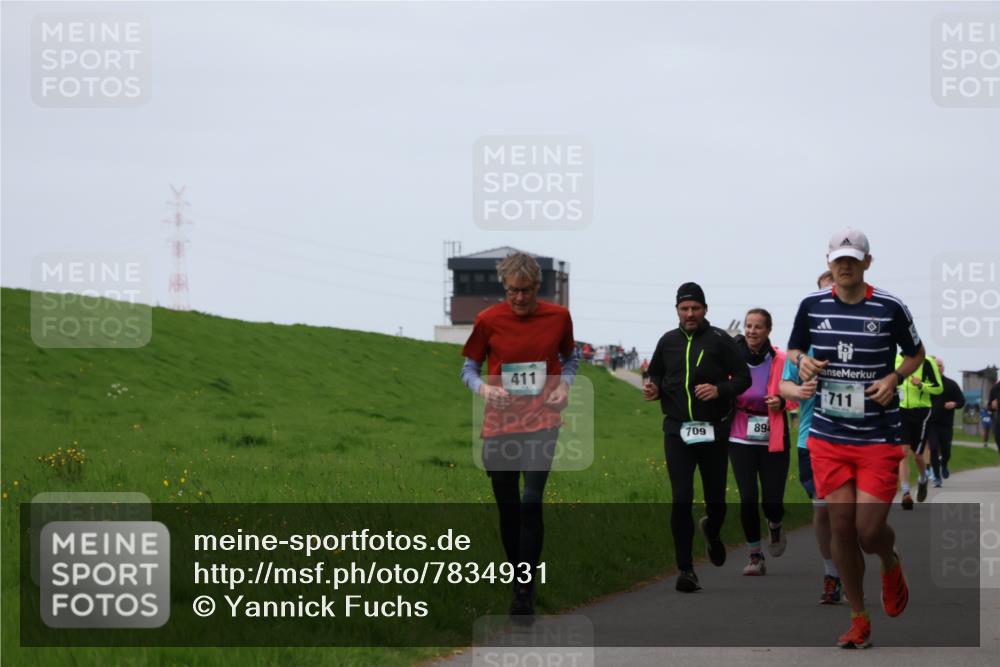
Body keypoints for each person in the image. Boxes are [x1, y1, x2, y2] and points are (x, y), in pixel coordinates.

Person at [787, 228, 923, 649]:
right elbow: (794, 349)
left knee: (868, 530)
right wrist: (803, 361)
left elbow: (916, 354)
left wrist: (894, 377)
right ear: (829, 262)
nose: (845, 265)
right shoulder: (811, 306)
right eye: (838, 259)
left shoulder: (890, 307)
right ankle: (859, 617)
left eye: (853, 258)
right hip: (828, 435)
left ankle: (889, 560)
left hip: (877, 436)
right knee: (841, 526)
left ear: (867, 262)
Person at [459, 252, 579, 619]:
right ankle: (518, 579)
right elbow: (468, 369)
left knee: (531, 501)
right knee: (509, 507)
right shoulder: (488, 320)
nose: (520, 298)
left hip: (543, 421)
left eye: (526, 291)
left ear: (538, 287)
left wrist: (564, 386)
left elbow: (571, 359)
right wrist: (484, 389)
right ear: (505, 288)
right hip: (500, 425)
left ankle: (524, 591)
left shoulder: (558, 317)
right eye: (513, 291)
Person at [643, 282, 751, 593]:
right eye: (684, 308)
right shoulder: (668, 341)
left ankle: (713, 531)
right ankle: (686, 569)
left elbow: (743, 377)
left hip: (713, 430)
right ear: (677, 310)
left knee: (716, 499)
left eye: (695, 308)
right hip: (677, 431)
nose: (690, 313)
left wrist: (720, 389)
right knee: (681, 497)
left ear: (705, 309)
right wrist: (653, 386)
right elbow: (655, 372)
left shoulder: (720, 340)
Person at [780, 269, 843, 603]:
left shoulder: (861, 336)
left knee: (858, 521)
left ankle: (881, 554)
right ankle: (832, 574)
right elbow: (784, 385)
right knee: (824, 511)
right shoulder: (802, 347)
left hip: (856, 440)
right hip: (812, 439)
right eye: (823, 293)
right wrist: (799, 391)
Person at [729, 308, 794, 576]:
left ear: (768, 331)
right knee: (747, 498)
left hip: (773, 435)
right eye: (748, 326)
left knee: (772, 501)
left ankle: (775, 524)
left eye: (757, 326)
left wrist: (782, 401)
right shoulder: (732, 358)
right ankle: (755, 556)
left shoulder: (781, 359)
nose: (751, 331)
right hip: (740, 435)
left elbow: (797, 394)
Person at [895, 352, 943, 508]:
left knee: (917, 455)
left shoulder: (927, 362)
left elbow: (938, 388)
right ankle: (906, 493)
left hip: (922, 412)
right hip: (901, 411)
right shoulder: (895, 359)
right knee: (902, 452)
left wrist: (921, 385)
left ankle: (923, 479)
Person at [926, 357, 964, 486]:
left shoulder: (951, 384)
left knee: (946, 451)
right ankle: (937, 477)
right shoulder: (927, 384)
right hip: (931, 424)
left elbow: (961, 401)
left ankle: (944, 463)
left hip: (946, 424)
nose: (939, 368)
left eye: (940, 365)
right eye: (936, 366)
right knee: (934, 449)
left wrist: (954, 404)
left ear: (944, 368)